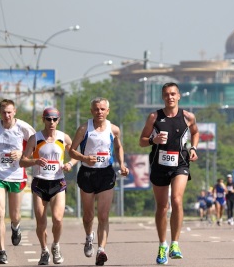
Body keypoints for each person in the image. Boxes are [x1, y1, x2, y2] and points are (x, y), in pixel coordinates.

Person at [139, 82, 199, 265]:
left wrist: (193, 148)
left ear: (179, 96)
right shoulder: (154, 117)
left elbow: (195, 133)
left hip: (180, 163)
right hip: (159, 165)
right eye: (166, 94)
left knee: (177, 200)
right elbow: (141, 141)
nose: (170, 97)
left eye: (173, 94)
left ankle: (175, 244)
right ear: (162, 97)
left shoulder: (188, 117)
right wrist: (153, 139)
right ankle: (162, 245)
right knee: (162, 207)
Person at [69, 97, 129, 266]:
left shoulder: (114, 129)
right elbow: (71, 151)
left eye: (103, 109)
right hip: (87, 174)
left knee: (103, 215)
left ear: (108, 111)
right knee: (88, 216)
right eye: (96, 109)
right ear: (91, 111)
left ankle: (101, 250)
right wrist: (84, 158)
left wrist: (122, 164)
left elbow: (118, 147)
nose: (99, 112)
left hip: (106, 174)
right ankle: (89, 237)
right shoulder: (83, 129)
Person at [0, 99, 35, 264]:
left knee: (15, 215)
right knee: (0, 212)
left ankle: (16, 227)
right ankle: (2, 251)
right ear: (0, 113)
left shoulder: (23, 127)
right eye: (4, 112)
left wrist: (22, 153)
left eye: (9, 112)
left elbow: (37, 145)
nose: (7, 115)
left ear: (15, 111)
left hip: (16, 174)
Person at [20, 107, 78, 265]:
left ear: (58, 120)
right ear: (43, 120)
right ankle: (44, 250)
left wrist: (70, 164)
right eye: (48, 119)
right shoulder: (35, 138)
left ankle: (56, 245)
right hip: (39, 182)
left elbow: (75, 155)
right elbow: (22, 161)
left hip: (57, 182)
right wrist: (35, 161)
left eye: (54, 119)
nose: (51, 122)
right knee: (41, 222)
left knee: (58, 219)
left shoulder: (63, 137)